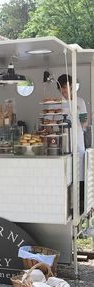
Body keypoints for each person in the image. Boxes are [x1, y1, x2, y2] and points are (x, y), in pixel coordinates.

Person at [57, 74, 88, 213]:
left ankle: (80, 205)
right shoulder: (57, 103)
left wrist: (81, 127)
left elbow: (84, 120)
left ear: (71, 87)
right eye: (61, 89)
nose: (64, 92)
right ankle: (67, 205)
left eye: (66, 88)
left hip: (79, 140)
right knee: (66, 174)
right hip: (63, 142)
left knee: (80, 172)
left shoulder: (80, 101)